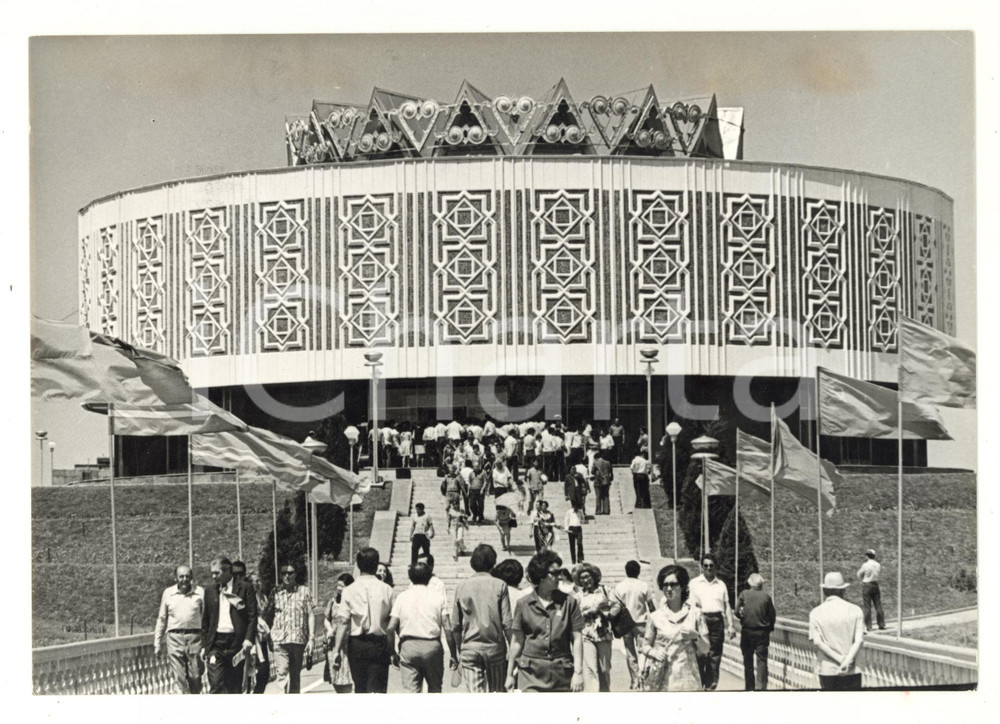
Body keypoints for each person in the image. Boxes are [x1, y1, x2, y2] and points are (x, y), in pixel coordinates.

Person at [506, 550, 585, 692]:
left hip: (562, 674)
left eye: (560, 572)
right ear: (541, 576)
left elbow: (577, 639)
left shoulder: (569, 602)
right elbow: (517, 641)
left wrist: (578, 672)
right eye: (554, 573)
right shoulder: (523, 604)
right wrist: (509, 674)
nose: (559, 577)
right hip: (530, 675)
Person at [334, 547, 397, 693]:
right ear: (376, 566)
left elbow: (343, 622)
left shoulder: (349, 590)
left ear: (357, 565)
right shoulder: (387, 589)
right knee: (378, 691)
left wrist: (336, 651)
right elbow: (392, 624)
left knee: (360, 690)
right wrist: (392, 650)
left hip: (357, 646)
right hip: (379, 645)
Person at [451, 544, 512, 692]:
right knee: (497, 693)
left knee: (475, 698)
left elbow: (455, 625)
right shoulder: (500, 585)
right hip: (495, 647)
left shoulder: (462, 586)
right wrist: (513, 647)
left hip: (470, 647)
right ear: (493, 561)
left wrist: (460, 648)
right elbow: (507, 623)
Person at [387, 561, 454, 693]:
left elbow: (390, 628)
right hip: (432, 647)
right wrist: (453, 654)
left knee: (411, 693)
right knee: (435, 690)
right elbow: (447, 627)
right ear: (429, 577)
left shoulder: (402, 597)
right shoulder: (438, 597)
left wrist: (392, 652)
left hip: (408, 647)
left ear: (410, 577)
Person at [641, 564, 709, 691]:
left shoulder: (695, 613)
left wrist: (696, 637)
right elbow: (644, 646)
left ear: (682, 586)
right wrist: (654, 653)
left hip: (689, 681)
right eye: (665, 585)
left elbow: (706, 649)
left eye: (674, 584)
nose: (669, 588)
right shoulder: (655, 616)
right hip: (662, 682)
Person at [201, 556, 258, 694]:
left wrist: (248, 639)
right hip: (216, 643)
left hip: (236, 643)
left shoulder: (245, 588)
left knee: (235, 686)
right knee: (216, 683)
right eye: (212, 573)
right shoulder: (209, 591)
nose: (213, 576)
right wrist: (204, 646)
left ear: (227, 571)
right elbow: (206, 621)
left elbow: (252, 616)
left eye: (217, 573)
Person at [153, 564, 205, 694]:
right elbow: (162, 619)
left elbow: (206, 619)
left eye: (187, 576)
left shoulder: (200, 592)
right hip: (174, 638)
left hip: (195, 638)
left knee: (196, 676)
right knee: (180, 677)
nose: (184, 579)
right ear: (176, 578)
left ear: (192, 577)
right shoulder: (168, 593)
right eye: (181, 576)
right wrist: (157, 643)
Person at [809, 571, 866, 690]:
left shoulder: (815, 613)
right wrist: (847, 660)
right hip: (852, 669)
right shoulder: (855, 610)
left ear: (824, 591)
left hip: (827, 670)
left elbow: (818, 642)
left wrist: (840, 659)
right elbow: (859, 640)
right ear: (843, 590)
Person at [688, 554, 735, 690]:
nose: (708, 568)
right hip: (700, 619)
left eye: (711, 565)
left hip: (717, 621)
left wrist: (731, 626)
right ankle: (700, 683)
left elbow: (727, 607)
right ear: (701, 567)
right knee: (700, 654)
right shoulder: (694, 583)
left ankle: (710, 686)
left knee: (715, 656)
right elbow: (689, 606)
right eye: (706, 565)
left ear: (715, 567)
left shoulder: (721, 585)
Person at [268, 563, 316, 694]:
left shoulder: (304, 591)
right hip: (279, 640)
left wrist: (311, 637)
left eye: (290, 573)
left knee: (295, 676)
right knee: (282, 673)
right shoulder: (275, 592)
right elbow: (267, 614)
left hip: (298, 640)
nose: (287, 576)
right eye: (283, 573)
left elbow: (311, 615)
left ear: (296, 574)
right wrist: (268, 635)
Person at [572, 562, 620, 692]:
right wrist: (586, 613)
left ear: (594, 576)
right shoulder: (578, 596)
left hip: (604, 634)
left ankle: (605, 691)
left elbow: (617, 605)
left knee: (605, 668)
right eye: (582, 578)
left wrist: (606, 614)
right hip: (587, 635)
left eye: (587, 576)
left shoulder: (605, 590)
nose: (585, 580)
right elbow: (574, 614)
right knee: (590, 669)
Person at [614, 560, 654, 691]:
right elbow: (651, 606)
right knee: (644, 651)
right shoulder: (643, 586)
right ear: (639, 571)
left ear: (626, 571)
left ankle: (635, 680)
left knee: (630, 653)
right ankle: (644, 677)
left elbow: (616, 608)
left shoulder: (620, 587)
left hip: (626, 624)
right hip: (641, 623)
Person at [736, 572, 776, 691]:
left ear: (750, 583)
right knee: (762, 661)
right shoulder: (766, 597)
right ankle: (761, 687)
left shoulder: (744, 594)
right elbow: (772, 615)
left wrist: (743, 617)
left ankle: (749, 687)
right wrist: (769, 628)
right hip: (762, 633)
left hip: (747, 632)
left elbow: (736, 611)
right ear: (760, 584)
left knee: (748, 660)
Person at [323, 573, 355, 693]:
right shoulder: (333, 601)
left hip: (347, 643)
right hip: (334, 643)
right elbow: (326, 618)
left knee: (348, 677)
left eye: (342, 586)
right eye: (338, 586)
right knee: (335, 675)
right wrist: (330, 629)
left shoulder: (353, 602)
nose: (339, 588)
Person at [249, 573, 272, 694]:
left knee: (264, 672)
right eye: (254, 581)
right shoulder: (248, 597)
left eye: (259, 581)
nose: (257, 584)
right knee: (252, 672)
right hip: (252, 640)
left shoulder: (263, 597)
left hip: (263, 638)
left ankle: (258, 694)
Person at [857, 549, 887, 631]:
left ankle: (869, 626)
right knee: (878, 604)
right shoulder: (878, 564)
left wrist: (862, 579)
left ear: (867, 556)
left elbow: (859, 574)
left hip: (867, 584)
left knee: (867, 605)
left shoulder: (865, 565)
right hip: (875, 584)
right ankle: (881, 624)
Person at [409, 502, 435, 567]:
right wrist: (410, 534)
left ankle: (429, 564)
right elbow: (413, 526)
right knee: (414, 549)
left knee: (426, 550)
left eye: (418, 509)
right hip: (416, 535)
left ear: (422, 509)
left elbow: (431, 525)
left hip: (424, 535)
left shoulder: (427, 516)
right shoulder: (415, 516)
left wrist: (432, 533)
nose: (417, 511)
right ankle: (413, 564)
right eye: (416, 509)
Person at [591, 450, 613, 515]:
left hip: (598, 481)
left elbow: (592, 471)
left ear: (596, 457)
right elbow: (611, 472)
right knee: (606, 495)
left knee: (598, 496)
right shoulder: (608, 462)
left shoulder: (596, 462)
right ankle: (606, 510)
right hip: (606, 481)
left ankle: (598, 511)